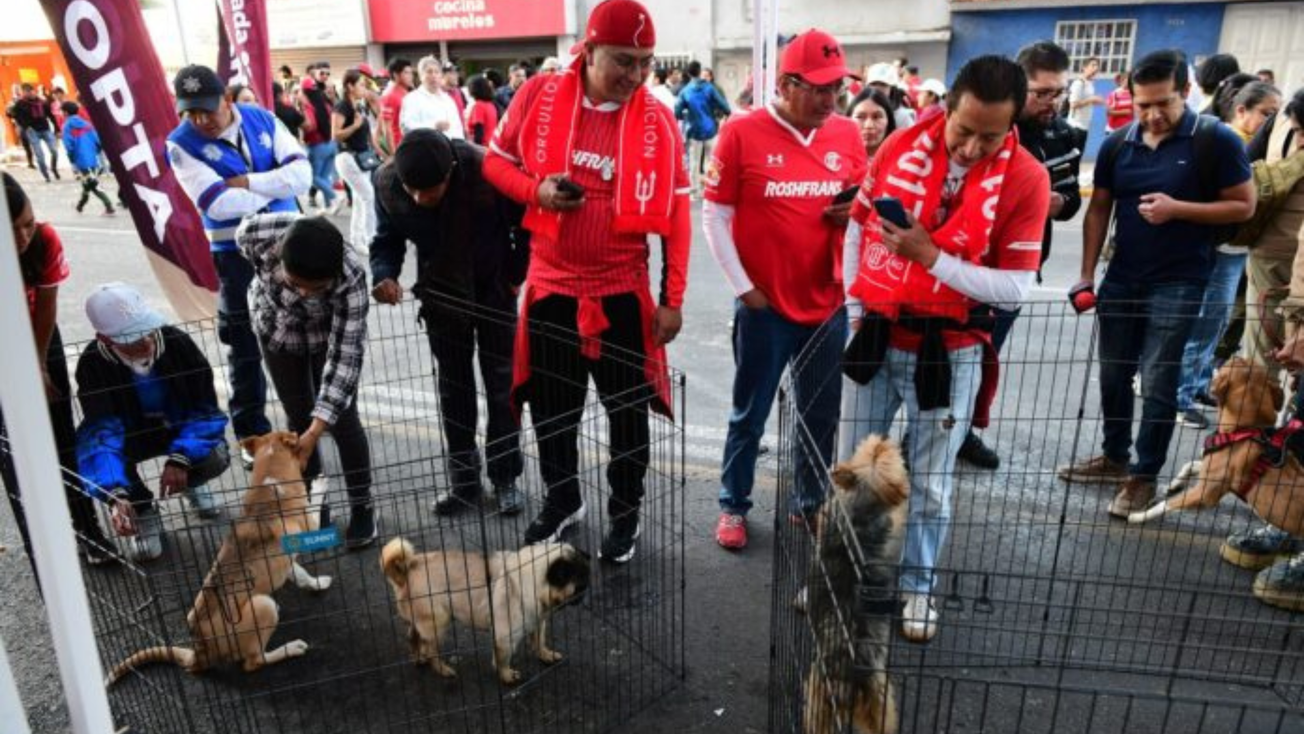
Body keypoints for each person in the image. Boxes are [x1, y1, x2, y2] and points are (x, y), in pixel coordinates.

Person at [840, 55, 1050, 642]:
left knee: (931, 482)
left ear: (1012, 126)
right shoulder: (900, 143)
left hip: (951, 347)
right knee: (856, 471)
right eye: (964, 130)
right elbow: (857, 229)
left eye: (991, 136)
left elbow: (1013, 288)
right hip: (879, 334)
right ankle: (841, 575)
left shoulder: (1027, 179)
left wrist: (931, 258)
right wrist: (856, 313)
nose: (971, 148)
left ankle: (918, 589)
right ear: (945, 108)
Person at [484, 0, 691, 564]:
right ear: (589, 48)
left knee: (627, 415)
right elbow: (495, 163)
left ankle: (625, 514)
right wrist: (538, 192)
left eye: (646, 63)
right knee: (554, 412)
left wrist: (673, 299)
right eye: (624, 61)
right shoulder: (537, 96)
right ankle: (562, 500)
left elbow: (676, 215)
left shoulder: (659, 118)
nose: (636, 76)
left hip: (623, 292)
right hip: (552, 289)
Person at [1058, 50, 1255, 518]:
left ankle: (1143, 476)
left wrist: (1178, 209)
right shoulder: (1117, 144)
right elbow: (1099, 210)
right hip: (1122, 278)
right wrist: (1086, 274)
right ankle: (1113, 455)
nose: (1152, 114)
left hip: (1181, 281)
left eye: (1162, 103)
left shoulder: (1215, 140)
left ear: (1185, 92)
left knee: (1160, 380)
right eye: (1143, 104)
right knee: (1112, 374)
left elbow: (1243, 206)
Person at [704, 29, 867, 551]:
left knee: (819, 414)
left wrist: (854, 209)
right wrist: (745, 288)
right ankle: (733, 504)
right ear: (785, 84)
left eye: (836, 88)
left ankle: (810, 501)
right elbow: (715, 214)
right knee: (749, 413)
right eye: (818, 88)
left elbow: (862, 205)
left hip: (826, 304)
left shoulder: (846, 134)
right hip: (765, 306)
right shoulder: (742, 132)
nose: (829, 100)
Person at [371, 129, 528, 516]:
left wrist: (513, 276)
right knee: (453, 392)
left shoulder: (487, 169)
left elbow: (523, 225)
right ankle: (463, 482)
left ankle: (505, 477)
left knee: (502, 389)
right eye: (413, 190)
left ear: (451, 171)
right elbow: (386, 239)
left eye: (430, 190)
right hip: (441, 294)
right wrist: (384, 274)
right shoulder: (388, 182)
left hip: (493, 289)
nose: (420, 199)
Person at [165, 64, 311, 460]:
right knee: (243, 342)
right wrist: (273, 181)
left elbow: (303, 174)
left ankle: (310, 422)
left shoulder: (262, 118)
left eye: (207, 110)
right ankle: (252, 433)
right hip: (234, 255)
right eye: (190, 112)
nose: (200, 120)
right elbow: (216, 203)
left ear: (227, 101)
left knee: (302, 331)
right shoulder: (180, 143)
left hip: (288, 245)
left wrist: (249, 182)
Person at [236, 213, 378, 548]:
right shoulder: (258, 233)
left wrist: (318, 429)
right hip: (273, 326)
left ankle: (363, 507)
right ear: (280, 254)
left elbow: (345, 357)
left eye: (315, 288)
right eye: (295, 282)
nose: (303, 292)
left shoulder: (351, 277)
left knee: (342, 419)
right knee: (297, 419)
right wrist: (308, 430)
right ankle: (314, 509)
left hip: (325, 332)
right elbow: (241, 245)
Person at [0, 174, 115, 574]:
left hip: (37, 336)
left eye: (27, 223)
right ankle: (42, 550)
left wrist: (36, 364)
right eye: (10, 228)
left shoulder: (44, 240)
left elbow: (46, 306)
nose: (22, 236)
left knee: (62, 436)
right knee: (14, 454)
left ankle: (87, 530)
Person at [75, 283, 230, 563]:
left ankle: (191, 482)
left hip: (179, 426)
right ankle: (142, 510)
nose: (145, 340)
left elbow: (205, 409)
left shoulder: (177, 343)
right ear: (105, 338)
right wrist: (115, 495)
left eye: (145, 329)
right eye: (130, 337)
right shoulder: (92, 364)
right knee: (94, 455)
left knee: (215, 456)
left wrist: (182, 457)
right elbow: (101, 433)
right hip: (130, 435)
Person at [1175, 80, 1281, 430]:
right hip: (1220, 246)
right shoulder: (1229, 143)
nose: (1272, 122)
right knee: (1206, 320)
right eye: (1266, 114)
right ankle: (1181, 395)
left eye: (1276, 116)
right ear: (1241, 110)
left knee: (1217, 320)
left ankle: (1200, 382)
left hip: (1238, 248)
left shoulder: (1257, 144)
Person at [332, 68, 380, 252]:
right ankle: (370, 239)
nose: (364, 88)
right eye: (360, 84)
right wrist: (354, 125)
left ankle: (358, 239)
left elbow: (368, 135)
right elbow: (335, 135)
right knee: (369, 196)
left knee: (362, 199)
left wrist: (380, 153)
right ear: (349, 86)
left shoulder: (358, 105)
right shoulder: (342, 106)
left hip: (362, 158)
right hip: (347, 158)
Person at [676, 61, 732, 194]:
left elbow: (677, 112)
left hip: (694, 130)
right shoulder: (709, 88)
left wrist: (685, 113)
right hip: (711, 129)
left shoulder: (685, 91)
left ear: (689, 73)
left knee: (694, 161)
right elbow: (726, 107)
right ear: (699, 71)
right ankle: (710, 187)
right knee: (711, 160)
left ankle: (694, 188)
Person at [60, 101, 115, 216]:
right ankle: (80, 205)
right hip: (92, 158)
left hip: (80, 159)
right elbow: (97, 140)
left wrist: (71, 158)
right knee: (88, 182)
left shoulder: (66, 126)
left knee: (92, 183)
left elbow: (68, 145)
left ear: (65, 112)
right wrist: (96, 151)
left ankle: (108, 205)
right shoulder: (87, 124)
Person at [299, 62, 341, 213]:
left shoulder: (308, 105)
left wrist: (301, 126)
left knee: (313, 177)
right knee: (323, 177)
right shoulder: (326, 101)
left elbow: (311, 126)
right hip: (331, 143)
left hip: (317, 145)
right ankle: (329, 205)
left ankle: (334, 196)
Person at [400, 56, 465, 140]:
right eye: (429, 72)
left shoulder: (448, 100)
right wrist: (433, 126)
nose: (433, 75)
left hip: (450, 149)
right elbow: (407, 128)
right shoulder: (412, 99)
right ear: (420, 76)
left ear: (441, 75)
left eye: (436, 72)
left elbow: (457, 128)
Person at [11, 84, 60, 182]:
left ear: (34, 91)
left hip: (45, 129)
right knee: (40, 156)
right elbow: (14, 115)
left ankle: (53, 168)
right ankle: (46, 175)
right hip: (32, 132)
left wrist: (57, 128)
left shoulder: (42, 102)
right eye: (26, 91)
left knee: (54, 151)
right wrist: (25, 127)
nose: (29, 93)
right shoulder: (20, 104)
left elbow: (51, 115)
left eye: (30, 91)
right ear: (23, 92)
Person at [847, 87, 896, 161]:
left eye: (876, 117)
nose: (869, 125)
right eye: (860, 117)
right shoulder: (837, 160)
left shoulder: (901, 163)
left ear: (889, 121)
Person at [378, 57, 414, 156]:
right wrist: (394, 155)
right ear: (395, 75)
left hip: (411, 144)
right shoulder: (390, 96)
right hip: (400, 148)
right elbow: (387, 129)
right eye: (406, 73)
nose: (411, 76)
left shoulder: (407, 93)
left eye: (411, 73)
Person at [865, 62, 916, 129]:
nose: (877, 88)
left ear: (892, 88)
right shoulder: (860, 111)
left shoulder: (902, 116)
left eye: (883, 84)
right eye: (873, 84)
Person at [1067, 57, 1104, 132]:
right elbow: (1073, 105)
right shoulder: (1078, 83)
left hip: (1084, 126)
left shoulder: (1090, 84)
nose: (1096, 68)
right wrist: (1091, 99)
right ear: (1084, 68)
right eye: (1093, 65)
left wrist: (1095, 101)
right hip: (1075, 126)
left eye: (1097, 66)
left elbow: (1086, 102)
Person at [463, 74, 499, 145]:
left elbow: (479, 129)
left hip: (482, 145)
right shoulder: (491, 105)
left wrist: (477, 147)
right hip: (491, 143)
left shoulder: (479, 105)